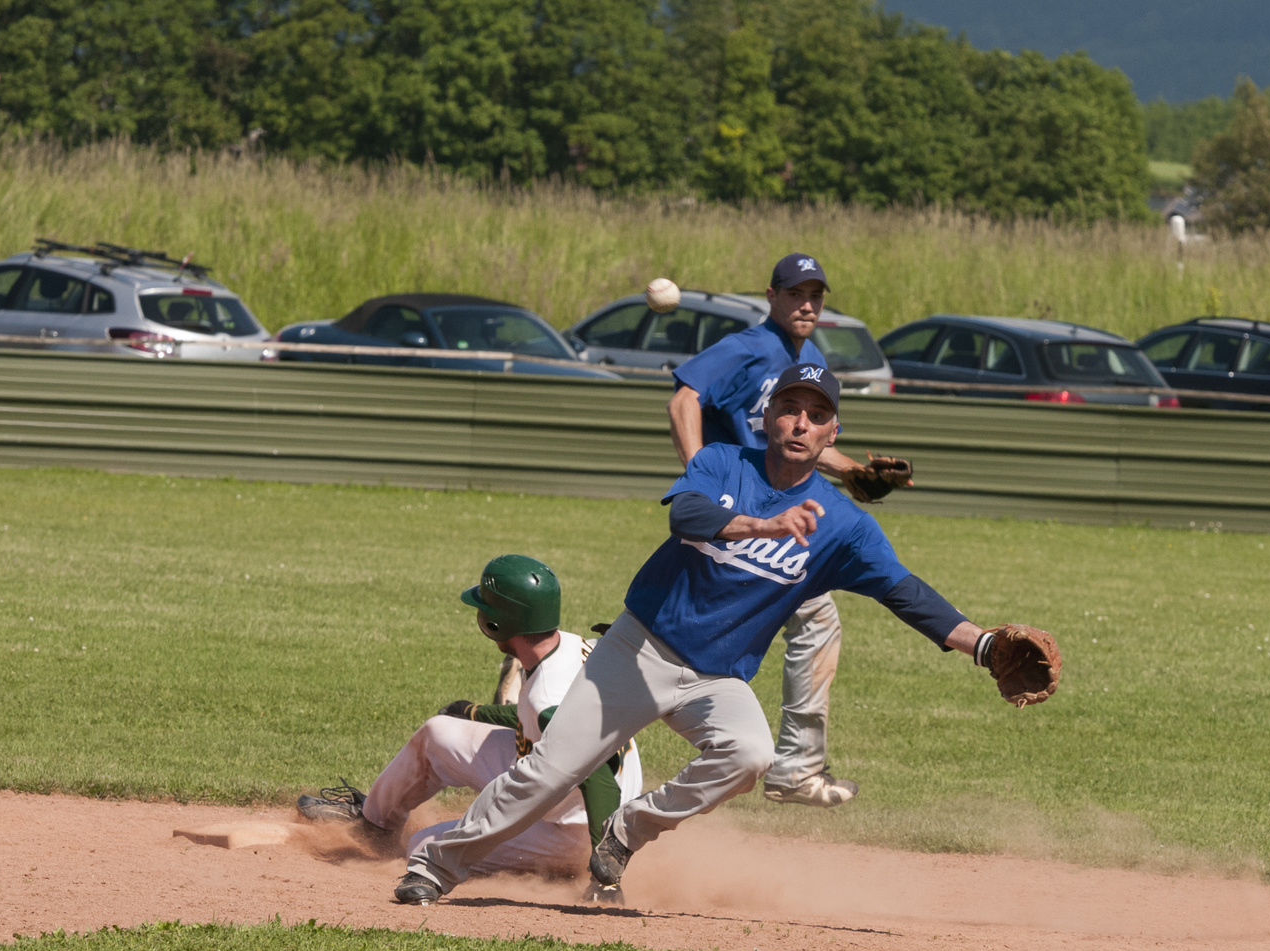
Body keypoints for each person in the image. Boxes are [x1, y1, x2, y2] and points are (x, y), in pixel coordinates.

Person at [398, 362, 1057, 902]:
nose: (802, 422)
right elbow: (685, 515)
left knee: (750, 754)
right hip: (640, 648)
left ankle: (627, 831)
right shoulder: (722, 463)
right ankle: (438, 867)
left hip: (717, 678)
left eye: (818, 413)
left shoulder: (844, 526)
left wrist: (985, 645)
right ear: (768, 417)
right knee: (552, 768)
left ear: (833, 433)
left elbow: (904, 592)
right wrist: (763, 525)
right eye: (791, 408)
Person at [667, 252, 910, 807]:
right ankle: (795, 768)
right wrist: (700, 478)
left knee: (798, 620)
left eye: (816, 295)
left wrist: (856, 472)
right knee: (811, 619)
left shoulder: (810, 356)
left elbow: (801, 441)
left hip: (774, 513)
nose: (806, 303)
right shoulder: (748, 346)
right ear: (771, 295)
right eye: (796, 292)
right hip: (740, 511)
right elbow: (684, 399)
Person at [296, 555, 642, 904]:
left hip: (578, 825)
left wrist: (608, 868)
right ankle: (375, 824)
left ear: (499, 622)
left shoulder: (546, 696)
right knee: (438, 733)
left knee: (425, 845)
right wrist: (473, 712)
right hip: (565, 782)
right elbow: (533, 719)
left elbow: (596, 774)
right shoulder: (563, 645)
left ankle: (566, 867)